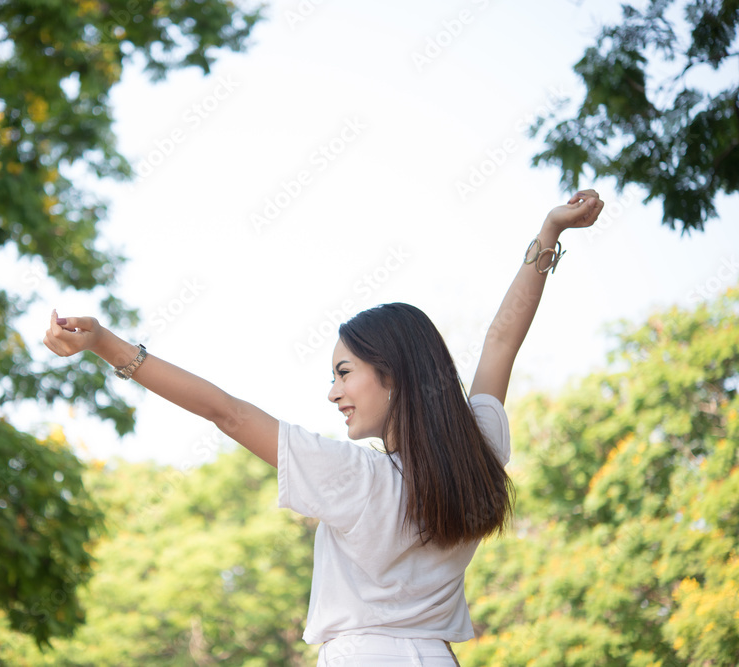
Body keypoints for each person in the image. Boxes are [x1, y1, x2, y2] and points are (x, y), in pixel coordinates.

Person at [43, 190, 605, 666]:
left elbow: (227, 412)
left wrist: (103, 343)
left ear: (391, 375)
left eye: (343, 372)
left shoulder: (357, 477)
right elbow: (502, 341)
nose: (333, 392)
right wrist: (550, 232)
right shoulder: (479, 450)